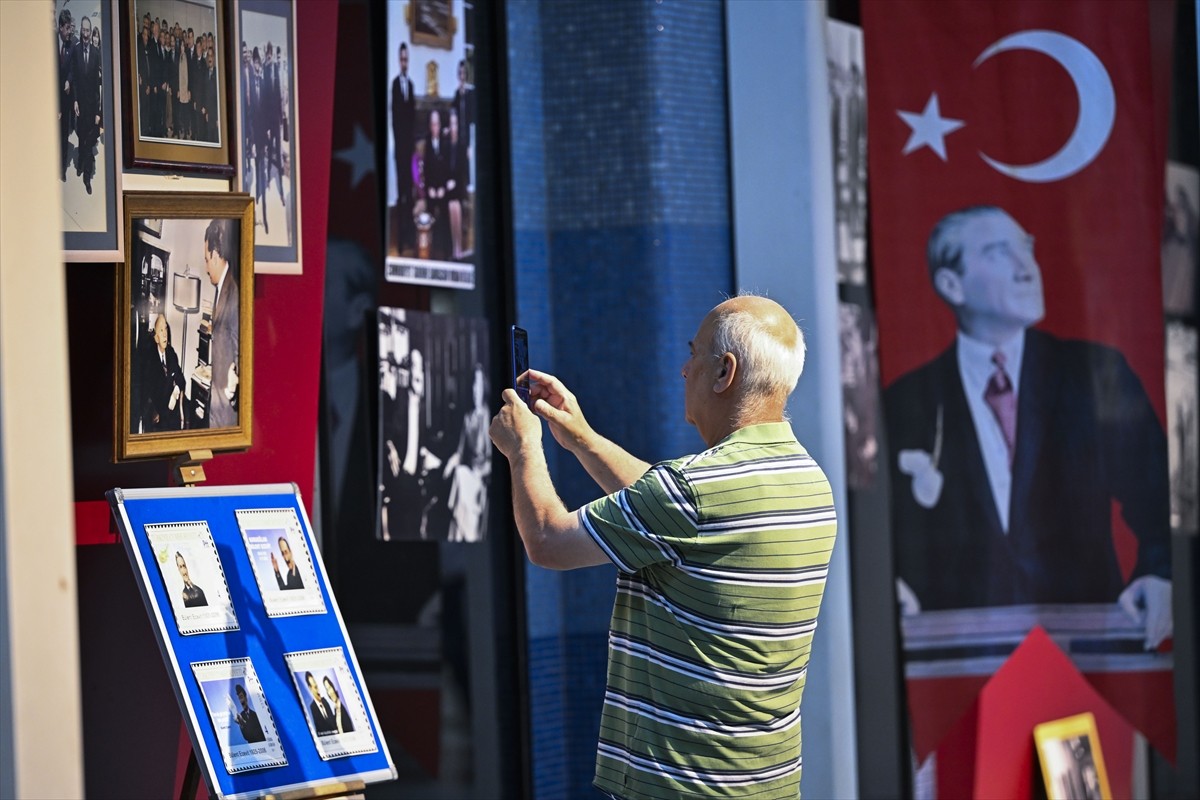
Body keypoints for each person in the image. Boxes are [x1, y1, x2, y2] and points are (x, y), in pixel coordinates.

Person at [489, 295, 837, 799]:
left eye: (694, 354)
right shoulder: (809, 481)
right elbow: (672, 513)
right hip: (765, 783)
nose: (683, 369)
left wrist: (523, 448)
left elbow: (547, 540)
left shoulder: (693, 491)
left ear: (725, 373)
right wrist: (582, 438)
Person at [885, 205, 1172, 648]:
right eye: (999, 253)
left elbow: (1158, 500)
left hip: (1087, 648)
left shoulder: (1094, 374)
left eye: (1027, 249)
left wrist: (1160, 574)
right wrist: (890, 584)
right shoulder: (908, 399)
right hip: (954, 653)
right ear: (951, 284)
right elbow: (876, 528)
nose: (1027, 269)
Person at [201, 218, 239, 428]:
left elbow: (240, 349)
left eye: (207, 260)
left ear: (215, 256)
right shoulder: (221, 288)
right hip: (216, 410)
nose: (206, 267)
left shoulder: (234, 293)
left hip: (226, 415)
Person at [70, 15, 103, 195]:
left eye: (88, 31)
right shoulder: (76, 51)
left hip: (92, 108)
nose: (85, 34)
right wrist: (75, 100)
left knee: (90, 142)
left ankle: (87, 178)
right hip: (80, 106)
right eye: (83, 30)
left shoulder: (97, 54)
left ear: (91, 32)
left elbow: (98, 86)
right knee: (81, 137)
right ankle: (81, 162)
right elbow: (75, 79)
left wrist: (98, 111)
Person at [390, 42, 416, 252]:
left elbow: (413, 118)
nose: (404, 62)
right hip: (400, 150)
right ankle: (399, 241)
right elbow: (395, 119)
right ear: (399, 60)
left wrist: (412, 147)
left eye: (406, 59)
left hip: (410, 150)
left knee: (410, 193)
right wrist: (399, 146)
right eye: (402, 59)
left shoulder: (412, 86)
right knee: (401, 195)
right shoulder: (395, 85)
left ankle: (410, 238)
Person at [141, 314, 186, 432]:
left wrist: (175, 392)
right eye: (161, 331)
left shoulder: (171, 353)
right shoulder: (149, 358)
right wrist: (154, 411)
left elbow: (181, 379)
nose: (165, 334)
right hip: (156, 412)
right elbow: (146, 390)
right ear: (156, 338)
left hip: (170, 410)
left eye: (166, 329)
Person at [445, 106, 470, 260]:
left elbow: (462, 170)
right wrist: (448, 182)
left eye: (455, 124)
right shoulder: (446, 144)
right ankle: (454, 246)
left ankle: (458, 247)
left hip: (458, 184)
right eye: (451, 124)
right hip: (448, 185)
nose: (453, 127)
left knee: (456, 205)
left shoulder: (461, 144)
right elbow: (444, 167)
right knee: (451, 205)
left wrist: (455, 182)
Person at [57, 9, 75, 182]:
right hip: (52, 99)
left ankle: (62, 169)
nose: (70, 31)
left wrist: (69, 80)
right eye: (67, 28)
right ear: (61, 27)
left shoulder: (70, 46)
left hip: (66, 99)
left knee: (63, 135)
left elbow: (71, 69)